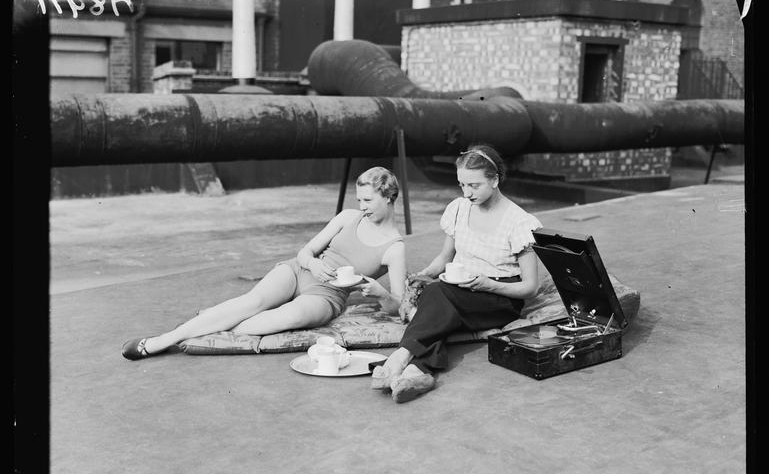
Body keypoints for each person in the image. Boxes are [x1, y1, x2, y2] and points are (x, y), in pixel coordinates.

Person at [122, 166, 407, 360]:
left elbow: (398, 306)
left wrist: (379, 293)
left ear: (390, 197)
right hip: (301, 271)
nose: (362, 206)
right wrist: (313, 264)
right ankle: (161, 341)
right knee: (252, 301)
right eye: (359, 199)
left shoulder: (394, 248)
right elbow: (304, 251)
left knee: (284, 318)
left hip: (328, 295)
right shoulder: (347, 217)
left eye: (368, 200)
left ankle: (207, 322)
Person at [371, 144, 543, 403]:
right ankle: (418, 372)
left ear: (495, 179)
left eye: (474, 185)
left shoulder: (519, 222)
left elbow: (531, 287)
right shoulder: (459, 208)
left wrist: (488, 285)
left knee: (437, 295)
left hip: (500, 297)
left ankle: (401, 356)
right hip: (458, 289)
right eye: (462, 184)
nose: (467, 192)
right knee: (436, 296)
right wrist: (423, 273)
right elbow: (445, 258)